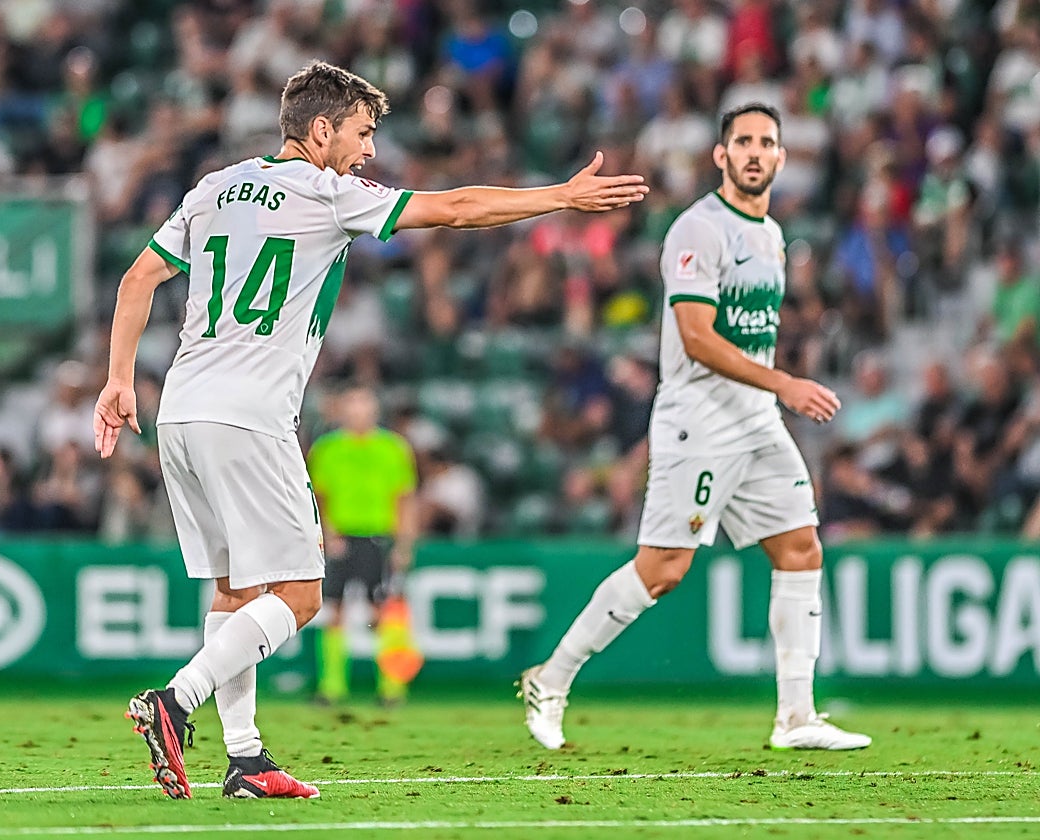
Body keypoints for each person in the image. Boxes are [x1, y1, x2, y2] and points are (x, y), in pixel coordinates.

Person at [92, 60, 648, 801]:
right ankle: (174, 701)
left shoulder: (212, 186)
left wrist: (119, 379)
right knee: (298, 595)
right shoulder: (327, 192)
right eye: (362, 132)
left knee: (232, 593)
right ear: (320, 130)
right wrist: (560, 196)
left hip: (182, 413)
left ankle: (247, 759)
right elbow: (455, 209)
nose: (369, 151)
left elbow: (136, 281)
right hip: (250, 415)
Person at [519, 103, 871, 753]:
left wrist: (772, 390)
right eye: (743, 141)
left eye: (768, 141)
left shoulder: (770, 235)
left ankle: (796, 715)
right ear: (721, 155)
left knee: (801, 549)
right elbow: (696, 338)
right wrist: (785, 383)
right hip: (700, 421)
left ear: (783, 158)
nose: (756, 152)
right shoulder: (698, 229)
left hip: (755, 420)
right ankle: (551, 677)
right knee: (663, 568)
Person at [307, 386, 418, 705]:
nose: (358, 412)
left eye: (364, 406)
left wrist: (404, 543)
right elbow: (318, 498)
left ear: (375, 411)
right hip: (340, 537)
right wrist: (327, 534)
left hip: (378, 536)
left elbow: (404, 499)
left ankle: (392, 687)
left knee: (385, 609)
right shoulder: (327, 449)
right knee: (334, 608)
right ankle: (331, 687)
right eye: (352, 405)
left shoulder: (393, 448)